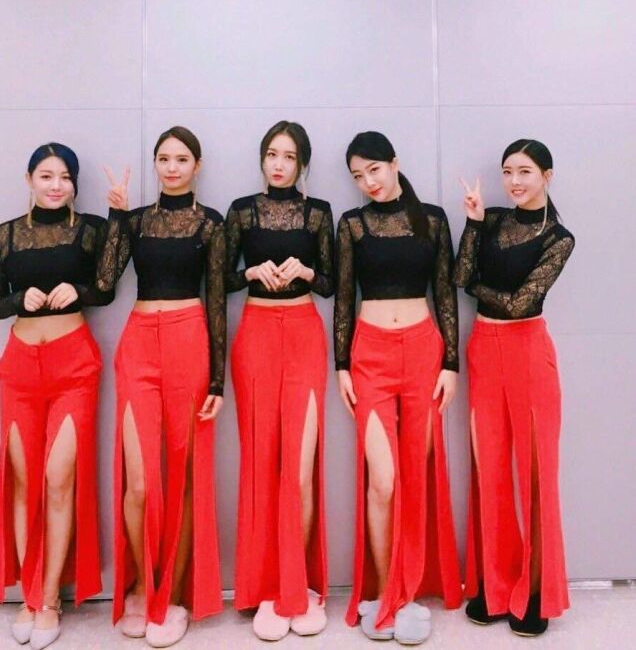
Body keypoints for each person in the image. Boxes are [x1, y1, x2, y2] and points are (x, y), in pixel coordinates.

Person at [0, 143, 113, 650]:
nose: (55, 185)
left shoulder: (91, 229)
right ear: (30, 179)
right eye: (46, 175)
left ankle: (51, 597)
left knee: (59, 479)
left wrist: (78, 291)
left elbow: (106, 287)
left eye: (64, 177)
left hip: (74, 365)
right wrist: (20, 299)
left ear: (75, 184)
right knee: (23, 481)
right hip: (19, 368)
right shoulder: (5, 235)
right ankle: (29, 596)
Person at [98, 126, 224, 648]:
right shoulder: (135, 221)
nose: (172, 168)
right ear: (155, 164)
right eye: (164, 159)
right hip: (138, 344)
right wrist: (115, 216)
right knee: (140, 482)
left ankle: (171, 593)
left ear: (197, 166)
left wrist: (218, 377)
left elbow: (216, 299)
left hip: (190, 339)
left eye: (182, 159)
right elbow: (105, 284)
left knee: (185, 474)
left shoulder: (211, 223)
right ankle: (139, 584)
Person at [335, 131, 462, 644]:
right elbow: (344, 296)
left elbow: (445, 291)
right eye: (357, 176)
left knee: (414, 477)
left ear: (394, 163)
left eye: (374, 169)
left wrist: (450, 362)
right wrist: (341, 365)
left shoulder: (432, 219)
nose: (368, 182)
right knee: (383, 480)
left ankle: (406, 595)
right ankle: (387, 591)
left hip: (423, 351)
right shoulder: (352, 224)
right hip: (369, 355)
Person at [453, 138, 574, 637]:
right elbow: (460, 274)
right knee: (491, 469)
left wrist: (477, 286)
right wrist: (473, 223)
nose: (515, 181)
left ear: (547, 175)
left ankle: (537, 591)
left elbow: (521, 302)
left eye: (525, 171)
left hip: (528, 353)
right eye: (508, 172)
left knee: (536, 473)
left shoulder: (559, 238)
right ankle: (495, 585)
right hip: (484, 349)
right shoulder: (493, 220)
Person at [226, 121, 333, 641]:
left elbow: (335, 282)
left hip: (305, 335)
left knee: (300, 467)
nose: (279, 164)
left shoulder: (319, 214)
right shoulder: (242, 211)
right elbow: (218, 276)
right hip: (256, 336)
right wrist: (250, 273)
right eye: (272, 153)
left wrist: (308, 273)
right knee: (261, 464)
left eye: (289, 156)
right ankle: (267, 587)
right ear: (262, 158)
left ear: (302, 164)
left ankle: (299, 585)